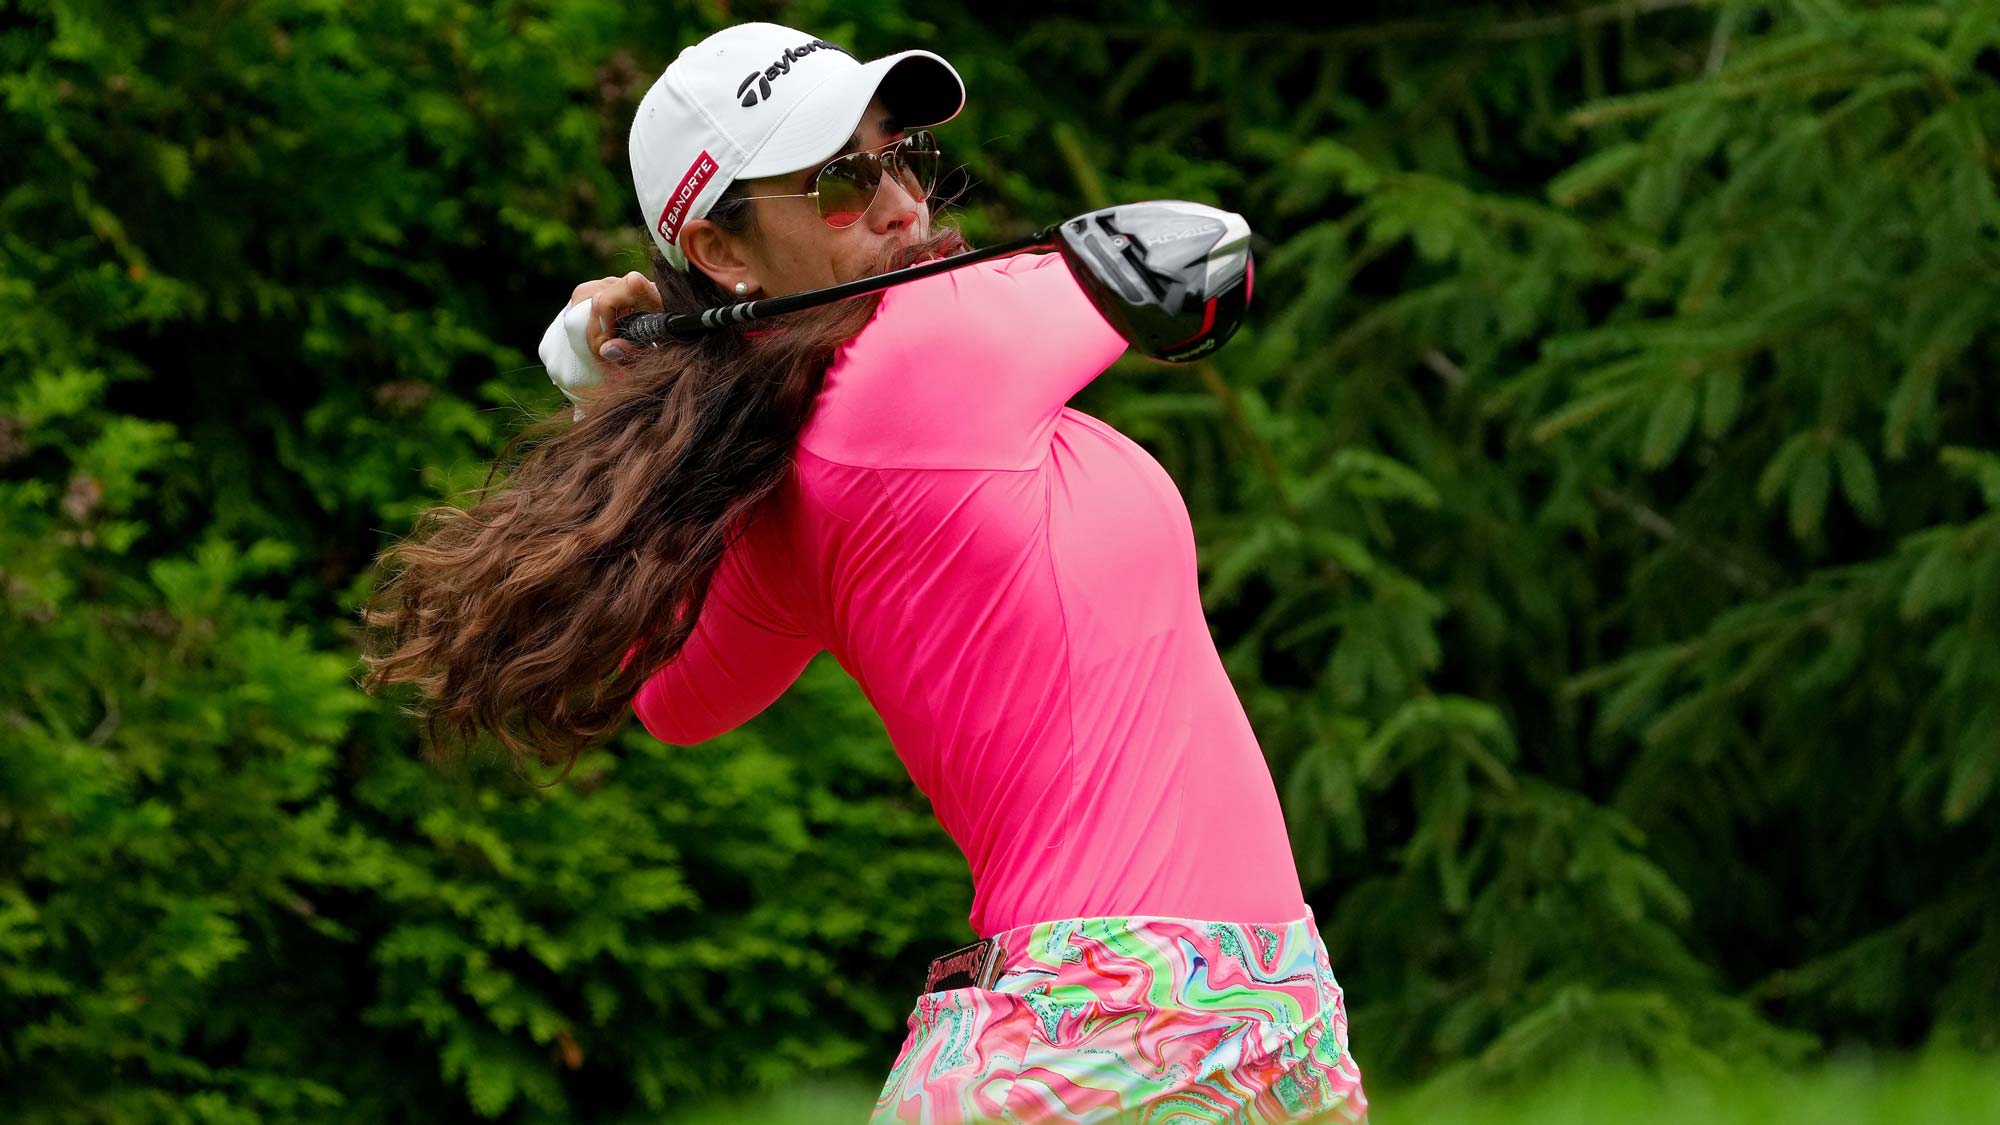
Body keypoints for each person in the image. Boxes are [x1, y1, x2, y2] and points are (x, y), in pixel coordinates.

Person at [361, 19, 1367, 1125]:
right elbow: (1198, 244)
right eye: (839, 182)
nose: (902, 207)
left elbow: (677, 702)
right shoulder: (910, 365)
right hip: (1109, 1028)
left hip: (1254, 1007)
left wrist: (606, 392)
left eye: (903, 158)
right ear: (723, 253)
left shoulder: (792, 481)